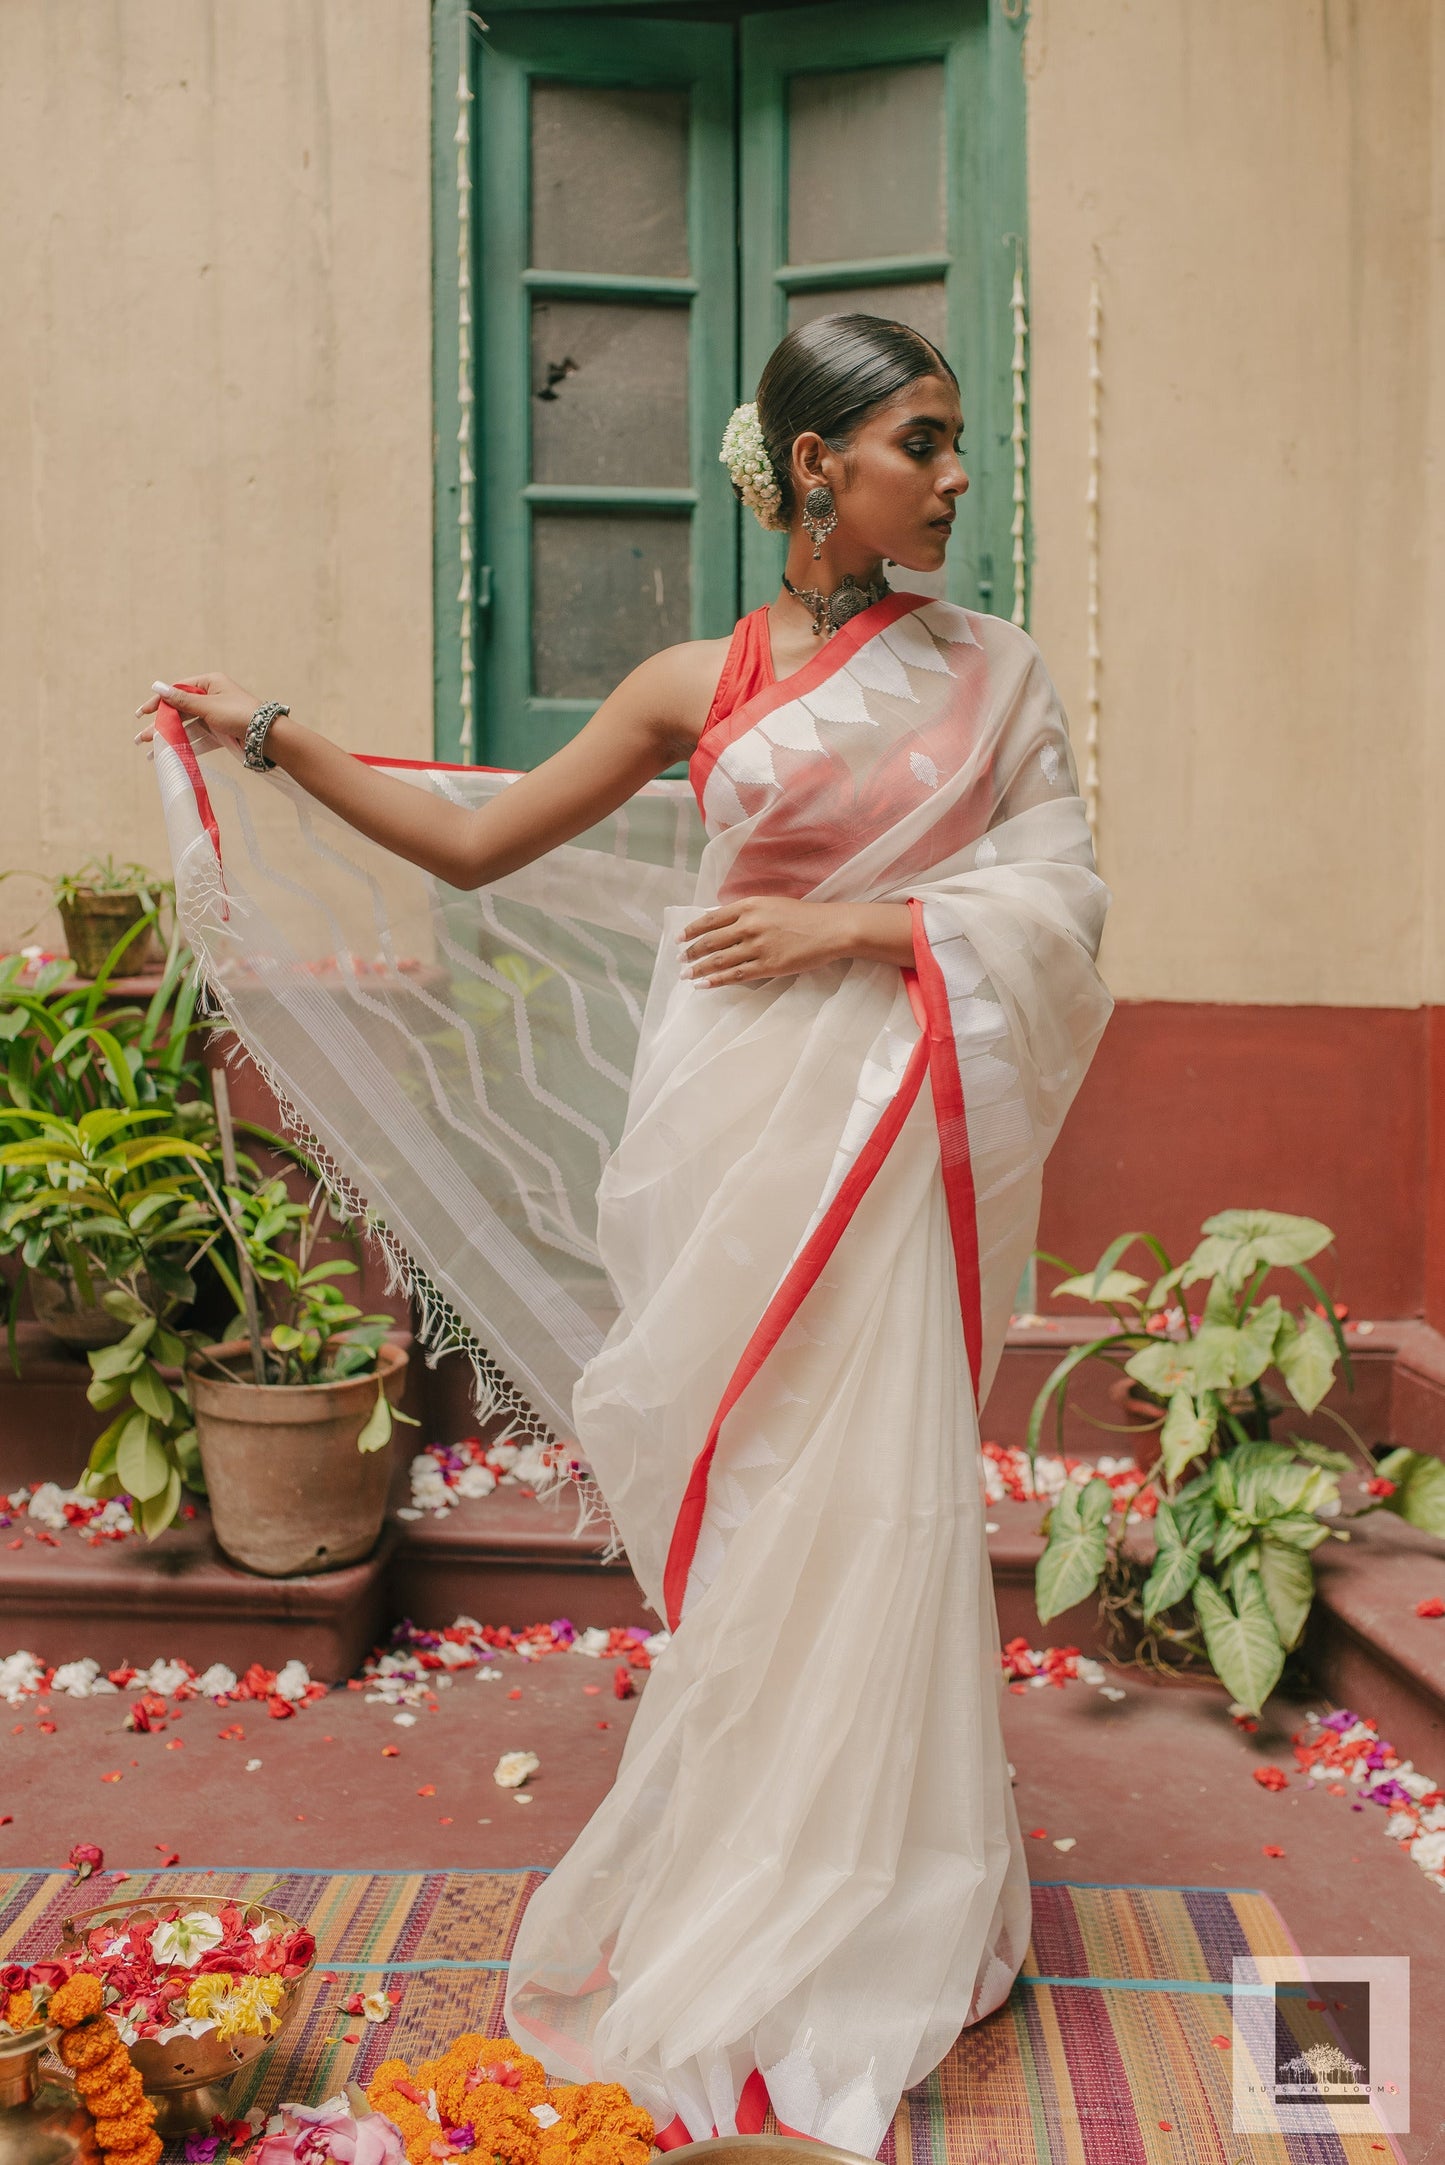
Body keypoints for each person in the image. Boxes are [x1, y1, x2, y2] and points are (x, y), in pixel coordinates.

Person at [137, 314, 1114, 2157]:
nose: (958, 474)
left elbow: (1059, 893)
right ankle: (746, 1850)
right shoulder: (697, 678)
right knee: (758, 1508)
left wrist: (858, 933)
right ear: (818, 467)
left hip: (885, 1114)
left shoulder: (995, 670)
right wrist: (263, 738)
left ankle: (874, 1879)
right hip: (729, 1125)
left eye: (959, 440)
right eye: (926, 439)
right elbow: (482, 837)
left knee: (872, 1489)